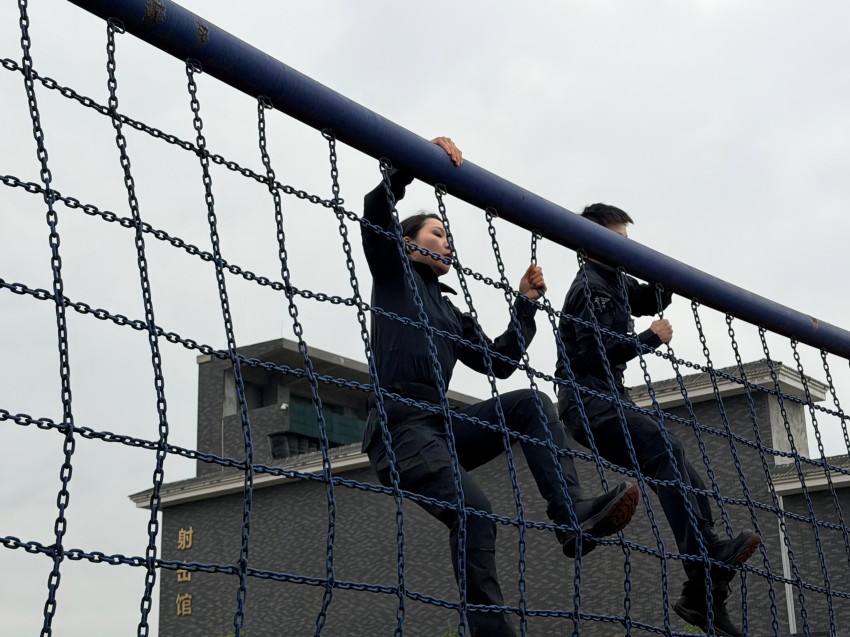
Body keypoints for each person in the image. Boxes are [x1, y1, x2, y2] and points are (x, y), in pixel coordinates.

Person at [360, 138, 640, 637]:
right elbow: (376, 207)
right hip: (399, 429)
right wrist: (414, 161)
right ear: (408, 242)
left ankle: (572, 518)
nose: (447, 242)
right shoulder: (392, 273)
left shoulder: (448, 308)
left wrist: (525, 302)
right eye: (436, 232)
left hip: (440, 427)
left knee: (531, 402)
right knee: (475, 512)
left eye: (448, 235)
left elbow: (501, 362)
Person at [555, 203, 761, 637]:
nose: (626, 249)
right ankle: (703, 557)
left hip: (612, 397)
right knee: (665, 447)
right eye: (618, 240)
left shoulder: (613, 279)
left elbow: (650, 297)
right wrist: (650, 339)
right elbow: (594, 352)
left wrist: (663, 274)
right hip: (588, 401)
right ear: (593, 241)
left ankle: (702, 592)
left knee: (685, 473)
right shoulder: (589, 287)